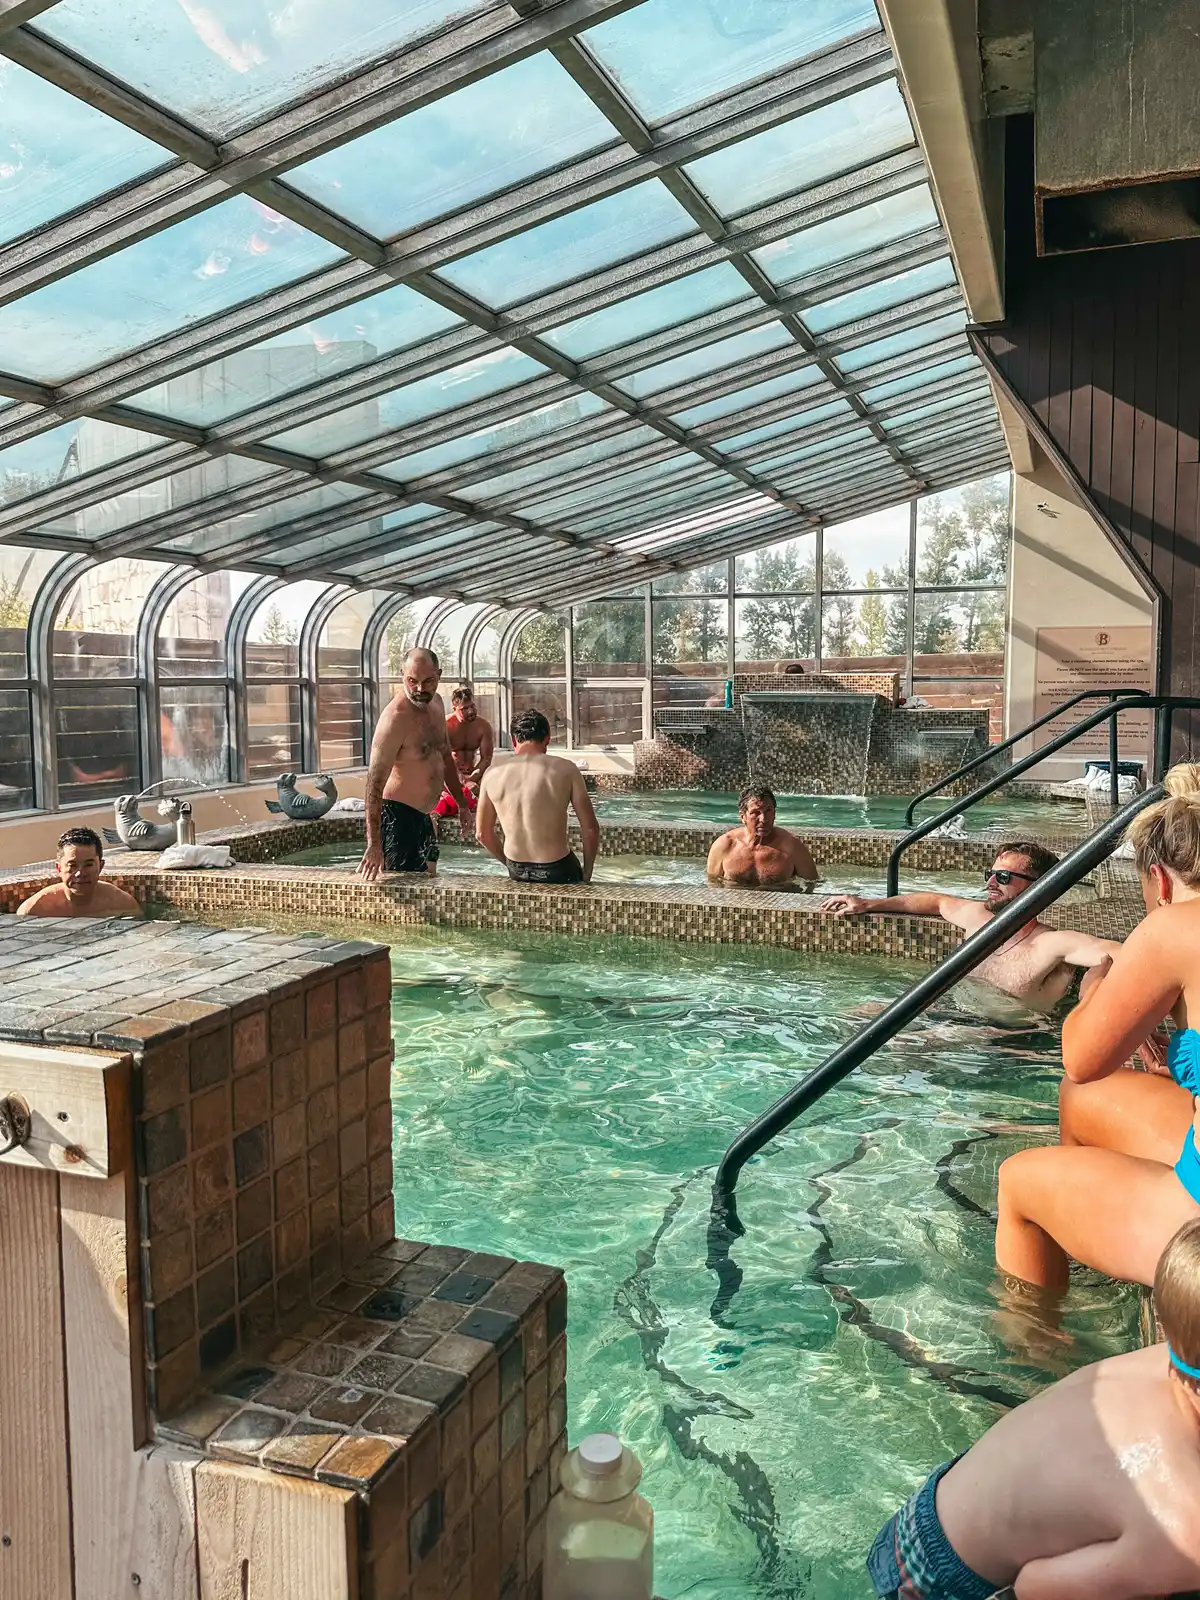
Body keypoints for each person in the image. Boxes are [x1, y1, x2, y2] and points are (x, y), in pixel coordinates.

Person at [867, 1215, 1200, 1600]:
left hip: (940, 1505)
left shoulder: (1169, 1357)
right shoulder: (1183, 1522)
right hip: (935, 1581)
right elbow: (1035, 1589)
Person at [995, 766, 1200, 1291]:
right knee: (1081, 1100)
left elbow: (1081, 1058)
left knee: (1018, 1182)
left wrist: (1095, 989)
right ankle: (1092, 1238)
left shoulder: (1175, 924)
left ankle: (1036, 1352)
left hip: (1195, 1213)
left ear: (1159, 879)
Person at [821, 841, 1120, 1011]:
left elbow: (1121, 954)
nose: (991, 883)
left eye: (1004, 878)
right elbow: (936, 902)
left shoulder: (1050, 944)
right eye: (990, 874)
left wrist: (1094, 987)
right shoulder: (977, 917)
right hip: (955, 1012)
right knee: (856, 1014)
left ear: (1039, 888)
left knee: (903, 1047)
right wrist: (869, 904)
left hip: (1004, 1040)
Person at [357, 649, 472, 881]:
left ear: (439, 675)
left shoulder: (437, 704)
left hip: (425, 816)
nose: (420, 689)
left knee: (429, 885)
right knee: (406, 899)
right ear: (402, 676)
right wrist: (374, 844)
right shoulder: (395, 719)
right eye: (412, 681)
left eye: (428, 681)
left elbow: (445, 757)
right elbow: (374, 783)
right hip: (397, 818)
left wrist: (461, 804)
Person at [476, 709, 599, 884]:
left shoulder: (492, 773)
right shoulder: (566, 769)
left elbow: (482, 834)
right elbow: (591, 829)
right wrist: (587, 874)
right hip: (557, 868)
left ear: (513, 740)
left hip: (517, 868)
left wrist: (509, 864)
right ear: (547, 738)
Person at [705, 784, 818, 890]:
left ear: (774, 814)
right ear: (743, 817)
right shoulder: (724, 845)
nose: (764, 819)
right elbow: (712, 883)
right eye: (756, 812)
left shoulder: (792, 846)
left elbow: (813, 884)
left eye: (768, 811)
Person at [17, 828, 142, 919]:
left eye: (88, 865)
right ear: (59, 868)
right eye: (72, 866)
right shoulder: (34, 910)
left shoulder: (122, 904)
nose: (80, 874)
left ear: (101, 866)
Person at [434, 686, 493, 820]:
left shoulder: (483, 727)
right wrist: (461, 781)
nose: (471, 711)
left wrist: (472, 779)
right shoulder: (445, 726)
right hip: (448, 779)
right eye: (464, 709)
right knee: (442, 804)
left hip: (473, 778)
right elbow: (441, 759)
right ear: (454, 709)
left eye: (472, 706)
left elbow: (486, 759)